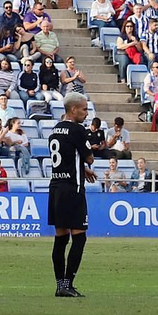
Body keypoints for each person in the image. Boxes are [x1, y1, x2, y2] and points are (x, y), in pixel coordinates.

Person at [47, 91, 96, 297]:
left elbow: (67, 156)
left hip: (56, 188)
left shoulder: (55, 130)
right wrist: (84, 165)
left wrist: (80, 167)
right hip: (73, 189)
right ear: (73, 109)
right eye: (84, 109)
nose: (86, 113)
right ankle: (68, 283)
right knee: (79, 237)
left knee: (60, 238)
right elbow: (90, 158)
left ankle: (60, 284)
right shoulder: (77, 130)